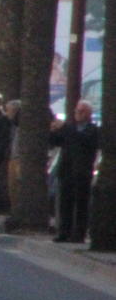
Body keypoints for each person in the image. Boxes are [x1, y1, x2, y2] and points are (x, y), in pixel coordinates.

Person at [50, 100, 100, 243]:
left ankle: (79, 234)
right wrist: (53, 130)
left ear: (89, 114)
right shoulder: (70, 128)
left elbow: (82, 140)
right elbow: (55, 141)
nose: (78, 114)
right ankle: (64, 232)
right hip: (66, 170)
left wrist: (65, 127)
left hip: (82, 172)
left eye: (82, 111)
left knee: (81, 204)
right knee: (65, 203)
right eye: (77, 111)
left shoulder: (92, 130)